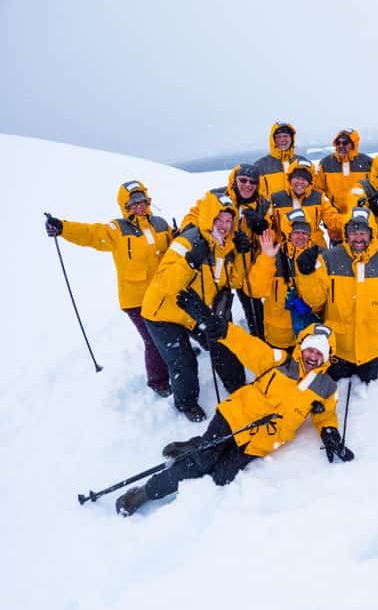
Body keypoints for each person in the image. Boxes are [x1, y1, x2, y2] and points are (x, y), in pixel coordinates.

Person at [115, 322, 352, 516]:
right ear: (301, 347)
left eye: (319, 352)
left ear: (327, 357)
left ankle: (197, 445)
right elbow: (248, 345)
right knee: (201, 464)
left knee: (220, 477)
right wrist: (224, 330)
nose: (313, 356)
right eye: (310, 349)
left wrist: (329, 433)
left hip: (258, 443)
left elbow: (326, 414)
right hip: (234, 418)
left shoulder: (326, 388)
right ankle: (146, 492)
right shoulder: (279, 361)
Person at [45, 181, 172, 396]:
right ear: (125, 205)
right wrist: (63, 227)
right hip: (136, 299)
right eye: (133, 202)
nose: (139, 205)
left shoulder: (160, 223)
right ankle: (158, 381)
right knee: (152, 339)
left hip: (162, 292)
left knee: (173, 328)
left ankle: (177, 355)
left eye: (142, 200)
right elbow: (91, 234)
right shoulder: (117, 229)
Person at [141, 190, 246, 421]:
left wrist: (239, 254)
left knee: (221, 342)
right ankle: (186, 403)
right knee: (183, 361)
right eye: (219, 219)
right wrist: (190, 261)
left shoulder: (227, 246)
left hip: (192, 311)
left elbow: (235, 281)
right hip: (163, 313)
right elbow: (165, 283)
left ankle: (236, 385)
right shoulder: (187, 241)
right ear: (209, 217)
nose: (224, 225)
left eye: (229, 220)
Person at [294, 207, 378, 383]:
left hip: (375, 350)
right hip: (339, 349)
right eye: (353, 232)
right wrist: (307, 275)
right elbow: (315, 301)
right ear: (346, 233)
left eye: (363, 233)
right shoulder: (329, 259)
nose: (358, 238)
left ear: (371, 233)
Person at [181, 164, 274, 339]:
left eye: (252, 182)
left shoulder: (263, 204)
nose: (248, 185)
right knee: (217, 306)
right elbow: (194, 216)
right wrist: (194, 234)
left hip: (246, 265)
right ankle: (220, 343)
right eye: (243, 180)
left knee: (253, 306)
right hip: (219, 263)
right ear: (234, 180)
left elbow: (271, 234)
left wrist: (262, 227)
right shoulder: (216, 196)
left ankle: (259, 341)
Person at [247, 211, 322, 350]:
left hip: (308, 334)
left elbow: (323, 298)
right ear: (289, 233)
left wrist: (311, 307)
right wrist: (266, 258)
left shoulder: (318, 256)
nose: (300, 237)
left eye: (304, 233)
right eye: (296, 232)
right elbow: (255, 290)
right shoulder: (273, 253)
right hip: (278, 336)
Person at [270, 157, 342, 249]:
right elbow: (269, 226)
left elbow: (332, 219)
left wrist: (350, 221)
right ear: (290, 179)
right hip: (285, 252)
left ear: (310, 182)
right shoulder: (276, 199)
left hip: (315, 248)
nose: (300, 182)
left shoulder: (319, 198)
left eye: (304, 179)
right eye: (297, 178)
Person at [314, 128, 373, 219]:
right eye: (338, 143)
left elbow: (375, 187)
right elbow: (318, 189)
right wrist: (328, 210)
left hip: (362, 216)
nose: (341, 145)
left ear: (354, 144)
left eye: (345, 143)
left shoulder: (368, 163)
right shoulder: (325, 164)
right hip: (335, 217)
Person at [254, 122, 304, 198]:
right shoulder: (260, 166)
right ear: (273, 140)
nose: (282, 139)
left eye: (285, 136)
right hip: (272, 209)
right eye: (278, 137)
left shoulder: (302, 162)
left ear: (291, 138)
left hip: (301, 208)